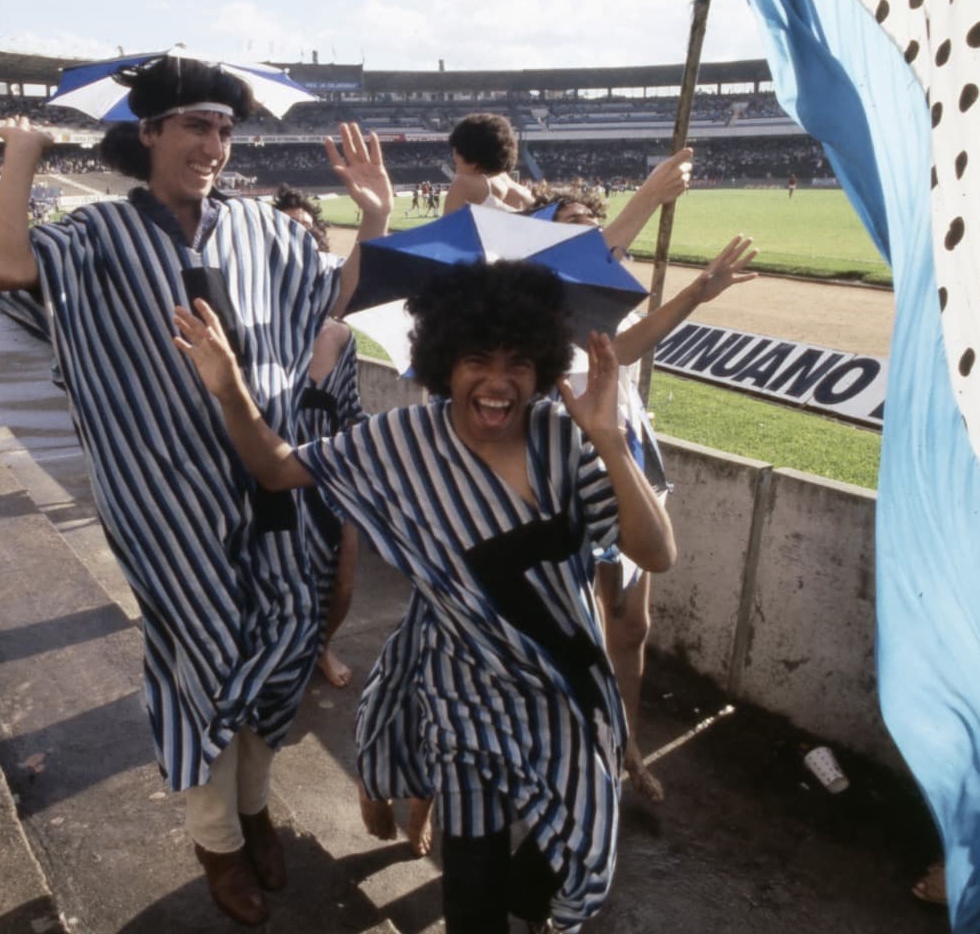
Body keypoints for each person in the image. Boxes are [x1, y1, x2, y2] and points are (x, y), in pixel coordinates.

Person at [0, 54, 392, 928]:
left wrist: (376, 221)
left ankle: (253, 807)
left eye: (226, 129)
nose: (214, 143)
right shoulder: (95, 235)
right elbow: (8, 268)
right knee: (203, 661)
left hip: (271, 486)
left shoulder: (267, 232)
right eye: (197, 125)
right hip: (164, 501)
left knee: (277, 661)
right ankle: (218, 840)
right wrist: (23, 155)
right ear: (150, 131)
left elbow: (335, 303)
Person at [176, 259, 675, 934]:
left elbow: (657, 552)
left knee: (580, 858)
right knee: (472, 891)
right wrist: (230, 388)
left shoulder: (565, 439)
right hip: (463, 690)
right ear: (444, 361)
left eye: (519, 362)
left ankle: (528, 900)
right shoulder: (400, 443)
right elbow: (275, 467)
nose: (499, 383)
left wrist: (611, 441)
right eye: (477, 359)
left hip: (565, 688)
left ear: (543, 364)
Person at [541, 182, 757, 802]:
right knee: (576, 625)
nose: (585, 232)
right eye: (568, 223)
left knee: (631, 626)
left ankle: (625, 744)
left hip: (632, 461)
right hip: (572, 477)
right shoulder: (544, 305)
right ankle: (568, 744)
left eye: (591, 221)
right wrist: (654, 203)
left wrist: (698, 289)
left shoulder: (615, 300)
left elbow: (630, 342)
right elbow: (620, 350)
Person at [271, 184, 362, 689]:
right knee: (284, 582)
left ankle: (322, 646)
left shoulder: (341, 337)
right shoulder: (254, 330)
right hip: (273, 474)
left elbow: (349, 409)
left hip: (332, 476)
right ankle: (283, 654)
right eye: (284, 231)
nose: (295, 240)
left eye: (305, 232)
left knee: (342, 581)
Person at [443, 112, 535, 215]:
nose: (457, 170)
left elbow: (446, 229)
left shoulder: (464, 185)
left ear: (472, 159)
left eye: (456, 163)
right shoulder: (526, 195)